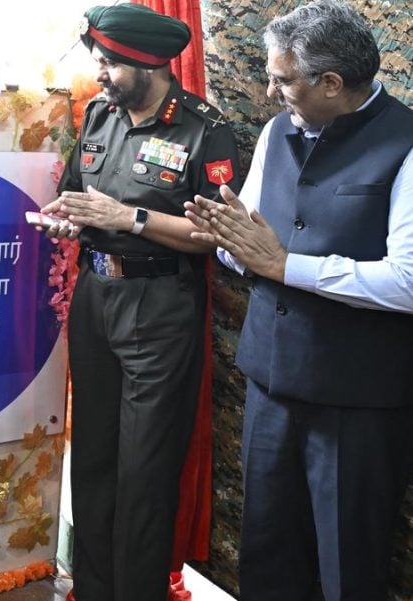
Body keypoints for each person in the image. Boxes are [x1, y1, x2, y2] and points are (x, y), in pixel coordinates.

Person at [184, 1, 413, 599]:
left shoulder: (406, 144)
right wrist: (230, 239)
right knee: (266, 556)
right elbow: (251, 245)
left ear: (331, 83)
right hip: (269, 384)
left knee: (347, 568)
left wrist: (285, 265)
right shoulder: (275, 131)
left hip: (356, 402)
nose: (269, 89)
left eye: (283, 79)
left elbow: (407, 281)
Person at [39, 4, 241, 601]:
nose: (99, 74)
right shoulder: (99, 115)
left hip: (160, 307)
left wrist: (129, 216)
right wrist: (68, 218)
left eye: (109, 63)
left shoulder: (204, 129)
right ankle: (94, 590)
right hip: (96, 298)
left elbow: (215, 235)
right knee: (95, 456)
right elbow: (78, 193)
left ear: (148, 64)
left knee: (146, 467)